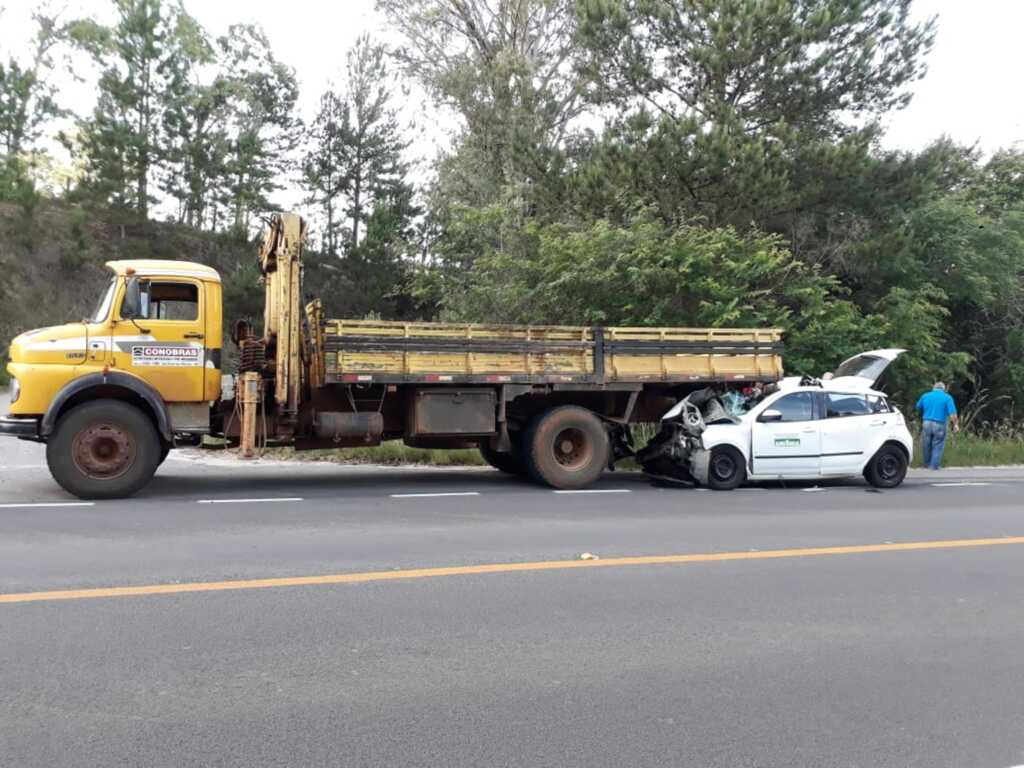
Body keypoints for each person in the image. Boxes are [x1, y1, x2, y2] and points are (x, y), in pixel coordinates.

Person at [915, 382, 959, 470]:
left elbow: (918, 406)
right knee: (938, 444)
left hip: (926, 422)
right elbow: (952, 414)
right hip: (939, 423)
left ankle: (926, 465)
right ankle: (933, 466)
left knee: (926, 444)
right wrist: (955, 424)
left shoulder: (925, 395)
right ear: (944, 389)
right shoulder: (947, 397)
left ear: (933, 388)